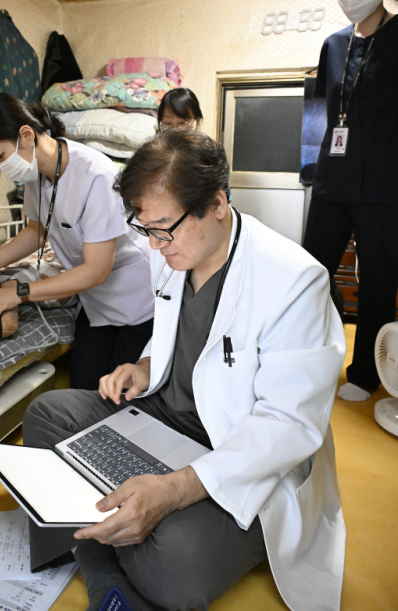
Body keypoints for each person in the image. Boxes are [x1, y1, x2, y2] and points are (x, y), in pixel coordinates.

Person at [23, 130, 346, 611]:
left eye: (163, 229)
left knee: (178, 562)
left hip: (238, 454)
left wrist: (176, 489)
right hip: (165, 417)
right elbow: (175, 331)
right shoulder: (176, 252)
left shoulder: (295, 280)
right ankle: (107, 559)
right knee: (47, 413)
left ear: (217, 204)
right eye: (146, 230)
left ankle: (91, 545)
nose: (155, 246)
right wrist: (143, 366)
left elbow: (288, 425)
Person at [0, 92, 154, 389]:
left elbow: (97, 269)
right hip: (96, 302)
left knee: (121, 392)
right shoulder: (36, 174)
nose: (0, 166)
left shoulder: (95, 174)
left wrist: (20, 292)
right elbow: (37, 230)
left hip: (135, 299)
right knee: (84, 384)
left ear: (26, 136)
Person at [303, 0, 398, 403]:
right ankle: (308, 359)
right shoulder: (333, 44)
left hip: (384, 186)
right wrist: (310, 170)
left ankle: (364, 374)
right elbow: (318, 112)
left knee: (378, 281)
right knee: (312, 275)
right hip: (331, 181)